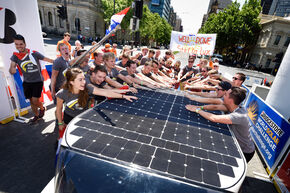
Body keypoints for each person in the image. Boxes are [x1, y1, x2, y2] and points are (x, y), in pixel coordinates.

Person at [56, 68, 137, 137]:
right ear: (71, 82)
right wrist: (60, 123)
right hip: (69, 118)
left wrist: (123, 95)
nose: (84, 82)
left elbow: (105, 92)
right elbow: (58, 109)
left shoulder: (87, 88)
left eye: (84, 79)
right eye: (80, 80)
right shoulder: (62, 93)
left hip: (83, 117)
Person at [186, 87, 255, 163]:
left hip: (245, 151)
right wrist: (199, 107)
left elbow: (213, 118)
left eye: (225, 95)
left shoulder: (239, 116)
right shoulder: (233, 107)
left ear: (230, 100)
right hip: (235, 145)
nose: (223, 96)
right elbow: (215, 107)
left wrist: (197, 110)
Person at [9, 34, 54, 122]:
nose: (19, 46)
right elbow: (12, 69)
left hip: (37, 81)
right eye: (16, 44)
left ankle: (42, 108)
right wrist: (12, 68)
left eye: (21, 44)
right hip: (27, 82)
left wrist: (62, 62)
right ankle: (36, 115)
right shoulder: (15, 56)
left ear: (25, 44)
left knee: (35, 100)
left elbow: (48, 60)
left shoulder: (33, 53)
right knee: (31, 101)